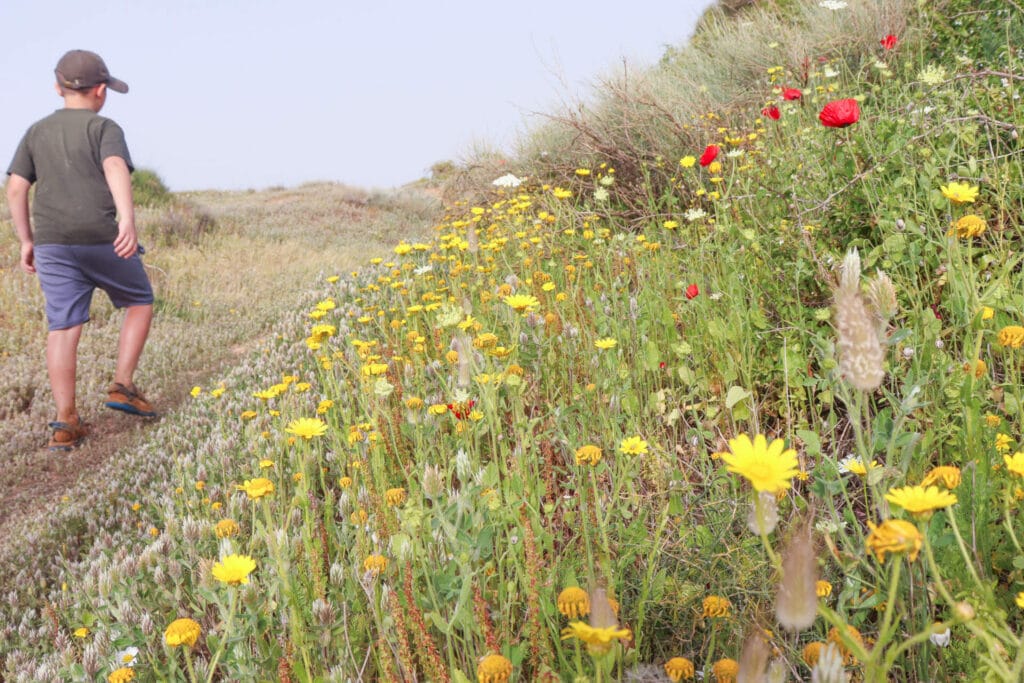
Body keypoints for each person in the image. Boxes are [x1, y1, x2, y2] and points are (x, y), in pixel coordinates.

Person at [6, 49, 157, 452]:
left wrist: (27, 240)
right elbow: (114, 167)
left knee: (63, 327)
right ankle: (123, 385)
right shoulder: (105, 127)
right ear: (102, 91)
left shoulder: (36, 131)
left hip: (52, 243)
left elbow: (17, 187)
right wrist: (127, 219)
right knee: (140, 300)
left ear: (58, 87)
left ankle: (65, 422)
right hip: (101, 238)